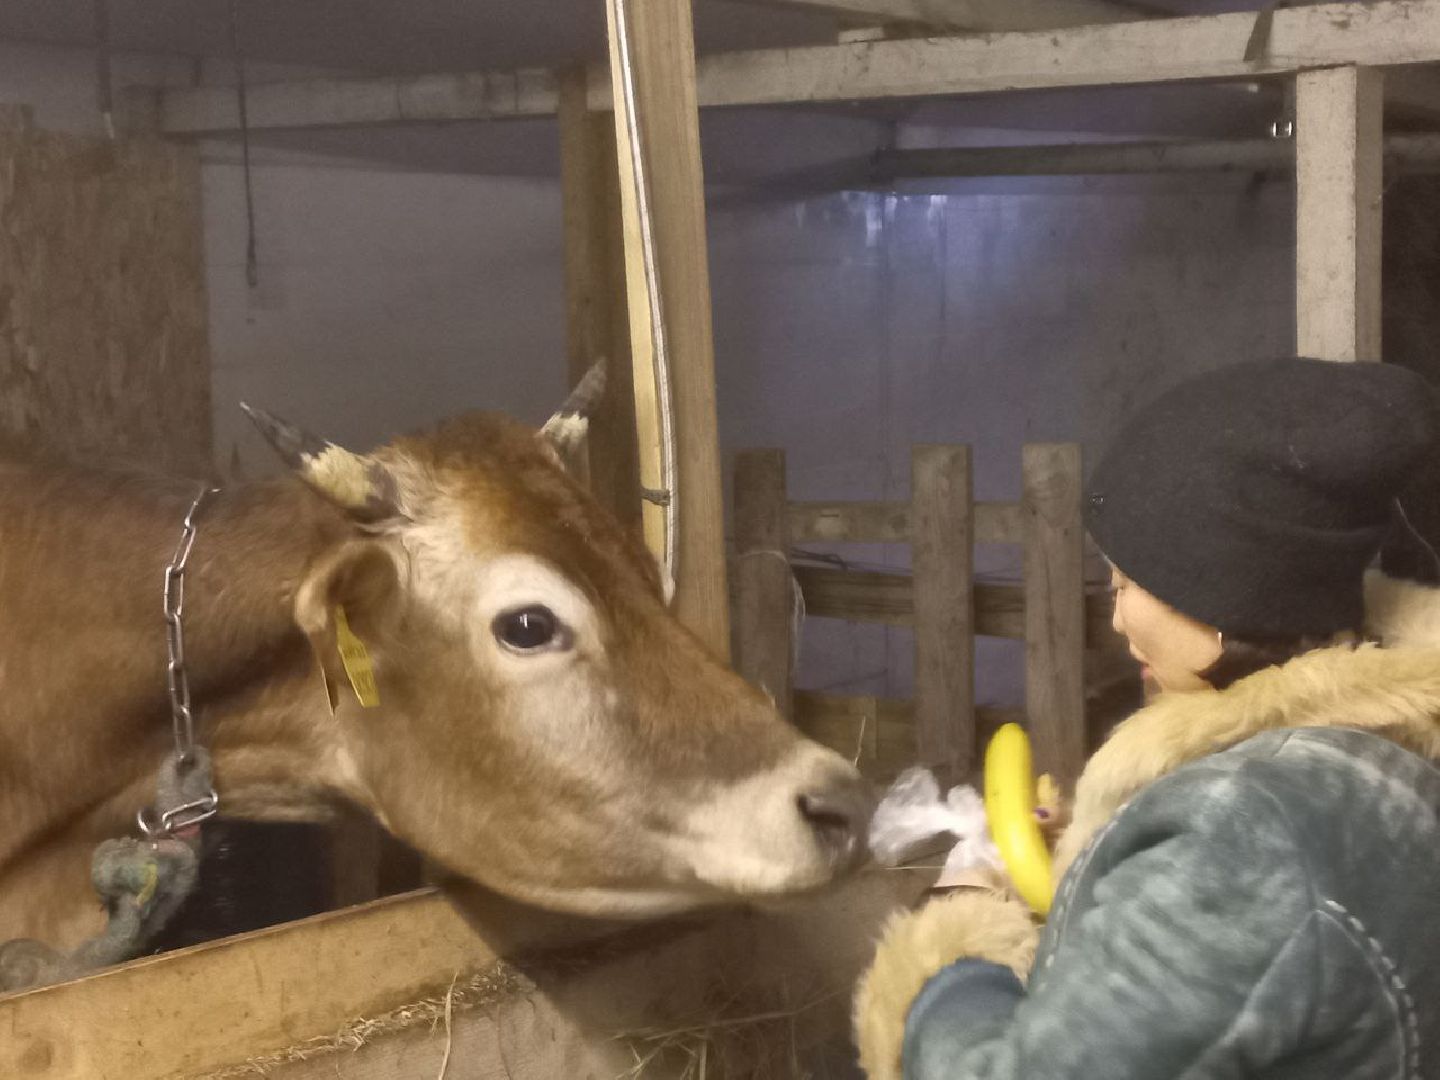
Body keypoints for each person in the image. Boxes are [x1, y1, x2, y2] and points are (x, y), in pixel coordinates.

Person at [855, 356, 1440, 1080]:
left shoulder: (1245, 834)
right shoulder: (1362, 763)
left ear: (1229, 599)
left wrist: (954, 938)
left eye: (1131, 583)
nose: (1117, 618)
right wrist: (1119, 860)